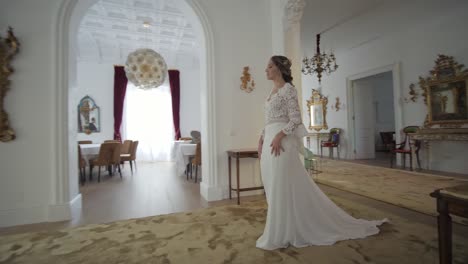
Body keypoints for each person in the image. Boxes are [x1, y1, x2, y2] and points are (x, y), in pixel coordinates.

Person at [256, 55, 387, 250]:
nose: (266, 70)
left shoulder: (288, 90)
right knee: (273, 183)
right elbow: (270, 120)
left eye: (269, 67)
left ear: (279, 69)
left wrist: (278, 136)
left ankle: (283, 232)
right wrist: (262, 137)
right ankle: (283, 227)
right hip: (269, 141)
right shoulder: (272, 91)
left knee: (282, 183)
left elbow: (295, 120)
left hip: (281, 143)